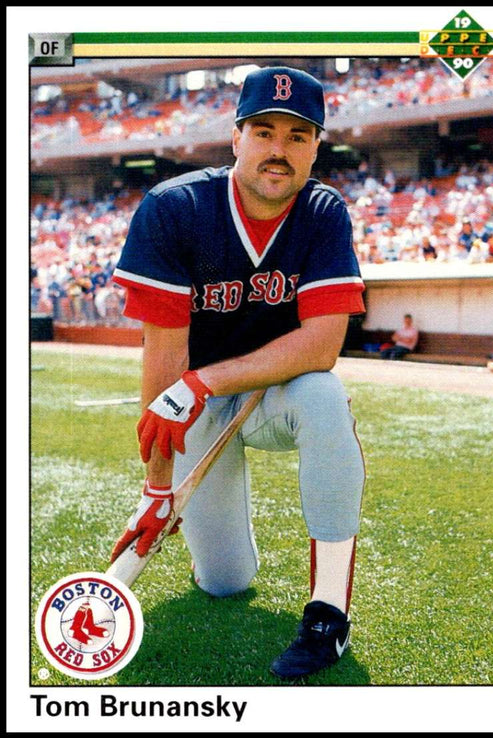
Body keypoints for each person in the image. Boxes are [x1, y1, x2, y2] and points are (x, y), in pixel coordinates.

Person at [111, 66, 366, 681]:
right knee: (225, 582)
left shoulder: (323, 210)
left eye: (298, 136)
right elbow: (166, 361)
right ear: (236, 138)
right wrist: (156, 487)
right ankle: (222, 560)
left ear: (315, 148)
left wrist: (207, 380)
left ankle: (328, 614)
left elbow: (322, 345)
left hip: (276, 391)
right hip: (200, 405)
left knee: (325, 396)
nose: (279, 150)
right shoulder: (175, 209)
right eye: (264, 131)